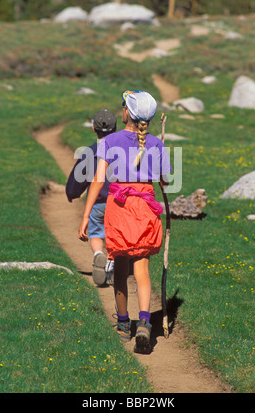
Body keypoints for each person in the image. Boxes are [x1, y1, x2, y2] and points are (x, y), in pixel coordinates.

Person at [78, 91, 171, 354]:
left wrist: (86, 215)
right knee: (142, 269)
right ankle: (144, 321)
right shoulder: (157, 144)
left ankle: (122, 324)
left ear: (127, 113)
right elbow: (164, 182)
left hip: (119, 207)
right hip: (146, 208)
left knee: (120, 267)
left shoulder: (110, 141)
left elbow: (98, 180)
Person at [66, 109, 117, 286]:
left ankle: (98, 254)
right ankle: (111, 261)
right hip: (118, 203)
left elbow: (77, 178)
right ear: (116, 128)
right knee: (114, 236)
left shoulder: (89, 152)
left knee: (96, 233)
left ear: (94, 129)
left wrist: (72, 193)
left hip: (97, 203)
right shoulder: (122, 151)